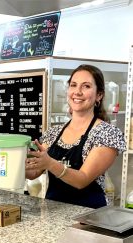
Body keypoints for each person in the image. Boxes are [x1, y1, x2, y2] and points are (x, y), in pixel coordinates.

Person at [26, 64, 126, 209]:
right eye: (73, 85)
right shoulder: (53, 133)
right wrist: (15, 164)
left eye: (86, 86)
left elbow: (82, 180)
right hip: (53, 214)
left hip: (89, 219)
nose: (77, 92)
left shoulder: (107, 134)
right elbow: (33, 173)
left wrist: (50, 163)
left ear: (99, 95)